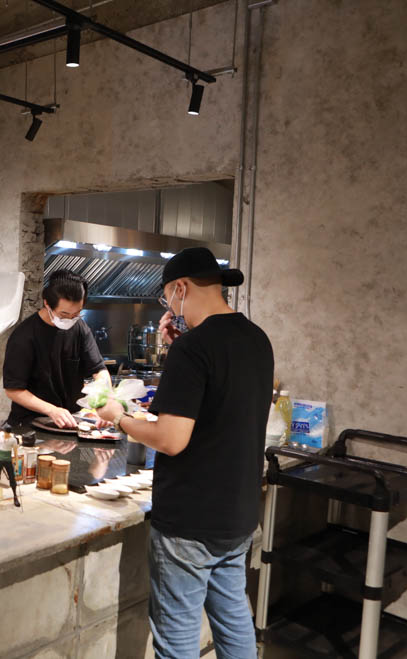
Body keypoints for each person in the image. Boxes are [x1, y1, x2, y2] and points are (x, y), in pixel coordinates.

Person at [95, 247, 274, 659]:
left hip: (191, 519)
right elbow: (220, 408)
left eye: (166, 298)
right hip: (238, 512)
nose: (169, 307)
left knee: (176, 639)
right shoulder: (256, 338)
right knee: (233, 622)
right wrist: (179, 349)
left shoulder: (193, 350)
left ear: (180, 288)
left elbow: (172, 439)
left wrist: (119, 417)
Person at [2, 269, 105, 429]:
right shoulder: (25, 336)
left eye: (77, 313)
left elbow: (99, 370)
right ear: (47, 304)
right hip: (31, 424)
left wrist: (106, 402)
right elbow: (13, 390)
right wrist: (52, 410)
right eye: (64, 314)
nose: (70, 319)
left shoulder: (80, 328)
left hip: (69, 421)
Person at [0, 431, 21, 507]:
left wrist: (17, 465)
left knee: (12, 479)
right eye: (5, 432)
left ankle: (15, 496)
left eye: (7, 432)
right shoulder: (0, 438)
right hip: (0, 460)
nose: (6, 433)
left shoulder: (13, 440)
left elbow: (15, 453)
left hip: (8, 461)